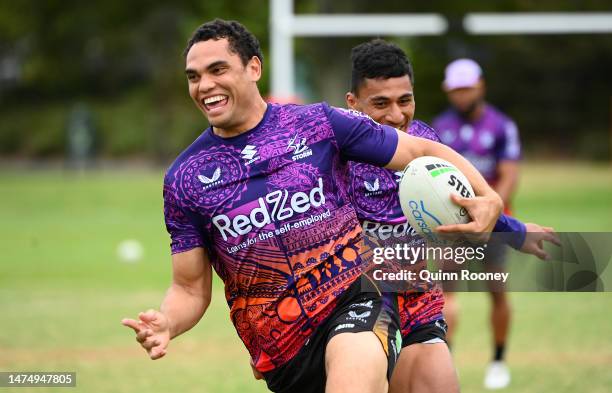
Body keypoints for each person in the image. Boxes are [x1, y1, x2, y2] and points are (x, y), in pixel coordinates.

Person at [121, 19, 505, 393]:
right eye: (194, 76)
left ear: (254, 67)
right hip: (283, 350)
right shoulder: (185, 178)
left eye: (217, 69)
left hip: (356, 300)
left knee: (363, 366)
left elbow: (419, 150)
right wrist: (167, 322)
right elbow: (189, 288)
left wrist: (486, 195)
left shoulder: (319, 124)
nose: (205, 85)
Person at [344, 40, 558, 393]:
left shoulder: (427, 140)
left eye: (405, 100)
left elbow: (462, 204)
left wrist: (517, 232)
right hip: (357, 306)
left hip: (415, 299)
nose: (396, 115)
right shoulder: (335, 151)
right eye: (380, 103)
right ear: (353, 102)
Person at [432, 58, 521, 389]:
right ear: (447, 90)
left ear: (480, 85)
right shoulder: (439, 128)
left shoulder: (501, 126)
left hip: (493, 226)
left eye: (466, 88)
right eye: (456, 89)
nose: (461, 95)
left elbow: (510, 177)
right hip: (453, 226)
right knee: (445, 294)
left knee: (496, 294)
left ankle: (498, 360)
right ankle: (446, 360)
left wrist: (488, 210)